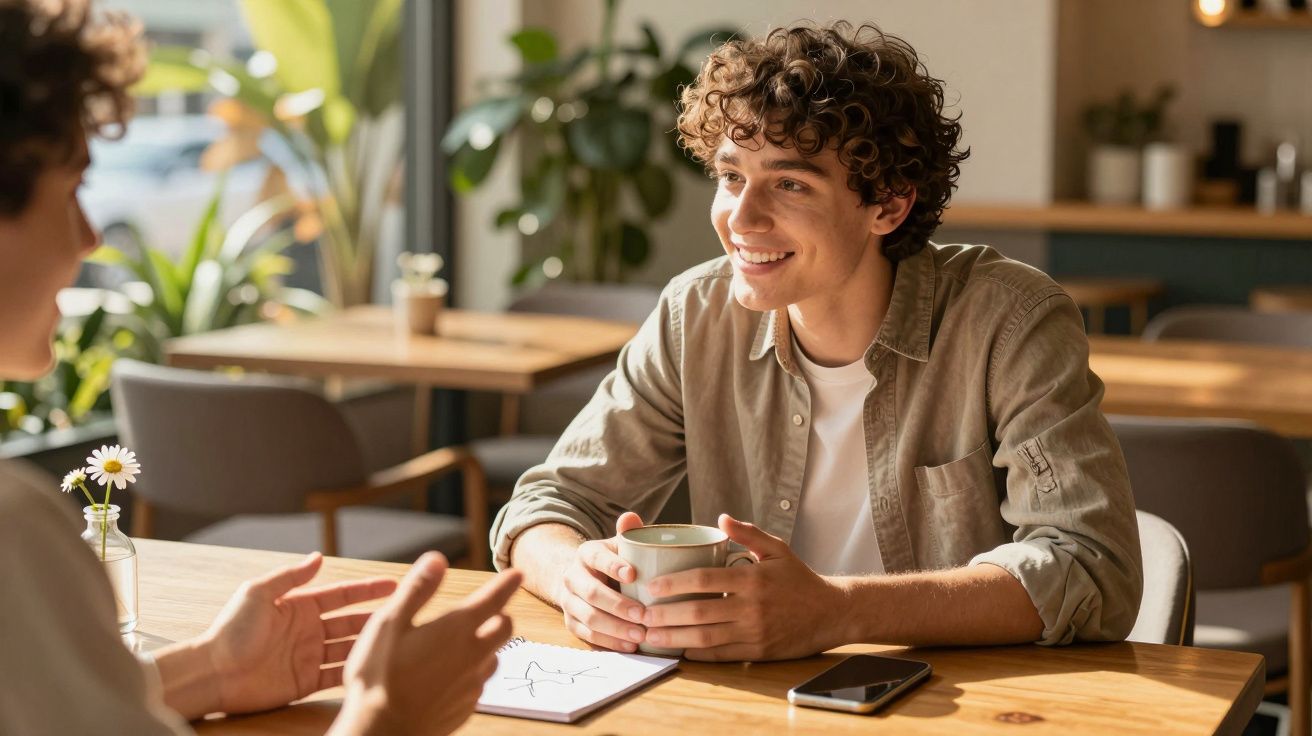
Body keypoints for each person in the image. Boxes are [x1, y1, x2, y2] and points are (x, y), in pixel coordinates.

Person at [491, 21, 1142, 661]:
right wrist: (573, 575)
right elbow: (550, 503)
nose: (741, 219)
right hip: (757, 699)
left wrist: (839, 613)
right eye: (731, 178)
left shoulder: (1007, 320)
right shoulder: (695, 315)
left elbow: (1090, 565)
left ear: (888, 205)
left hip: (960, 701)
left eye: (790, 183)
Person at [0, 1, 521, 733]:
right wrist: (388, 716)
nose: (89, 237)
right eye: (72, 189)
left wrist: (210, 669)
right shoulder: (12, 533)